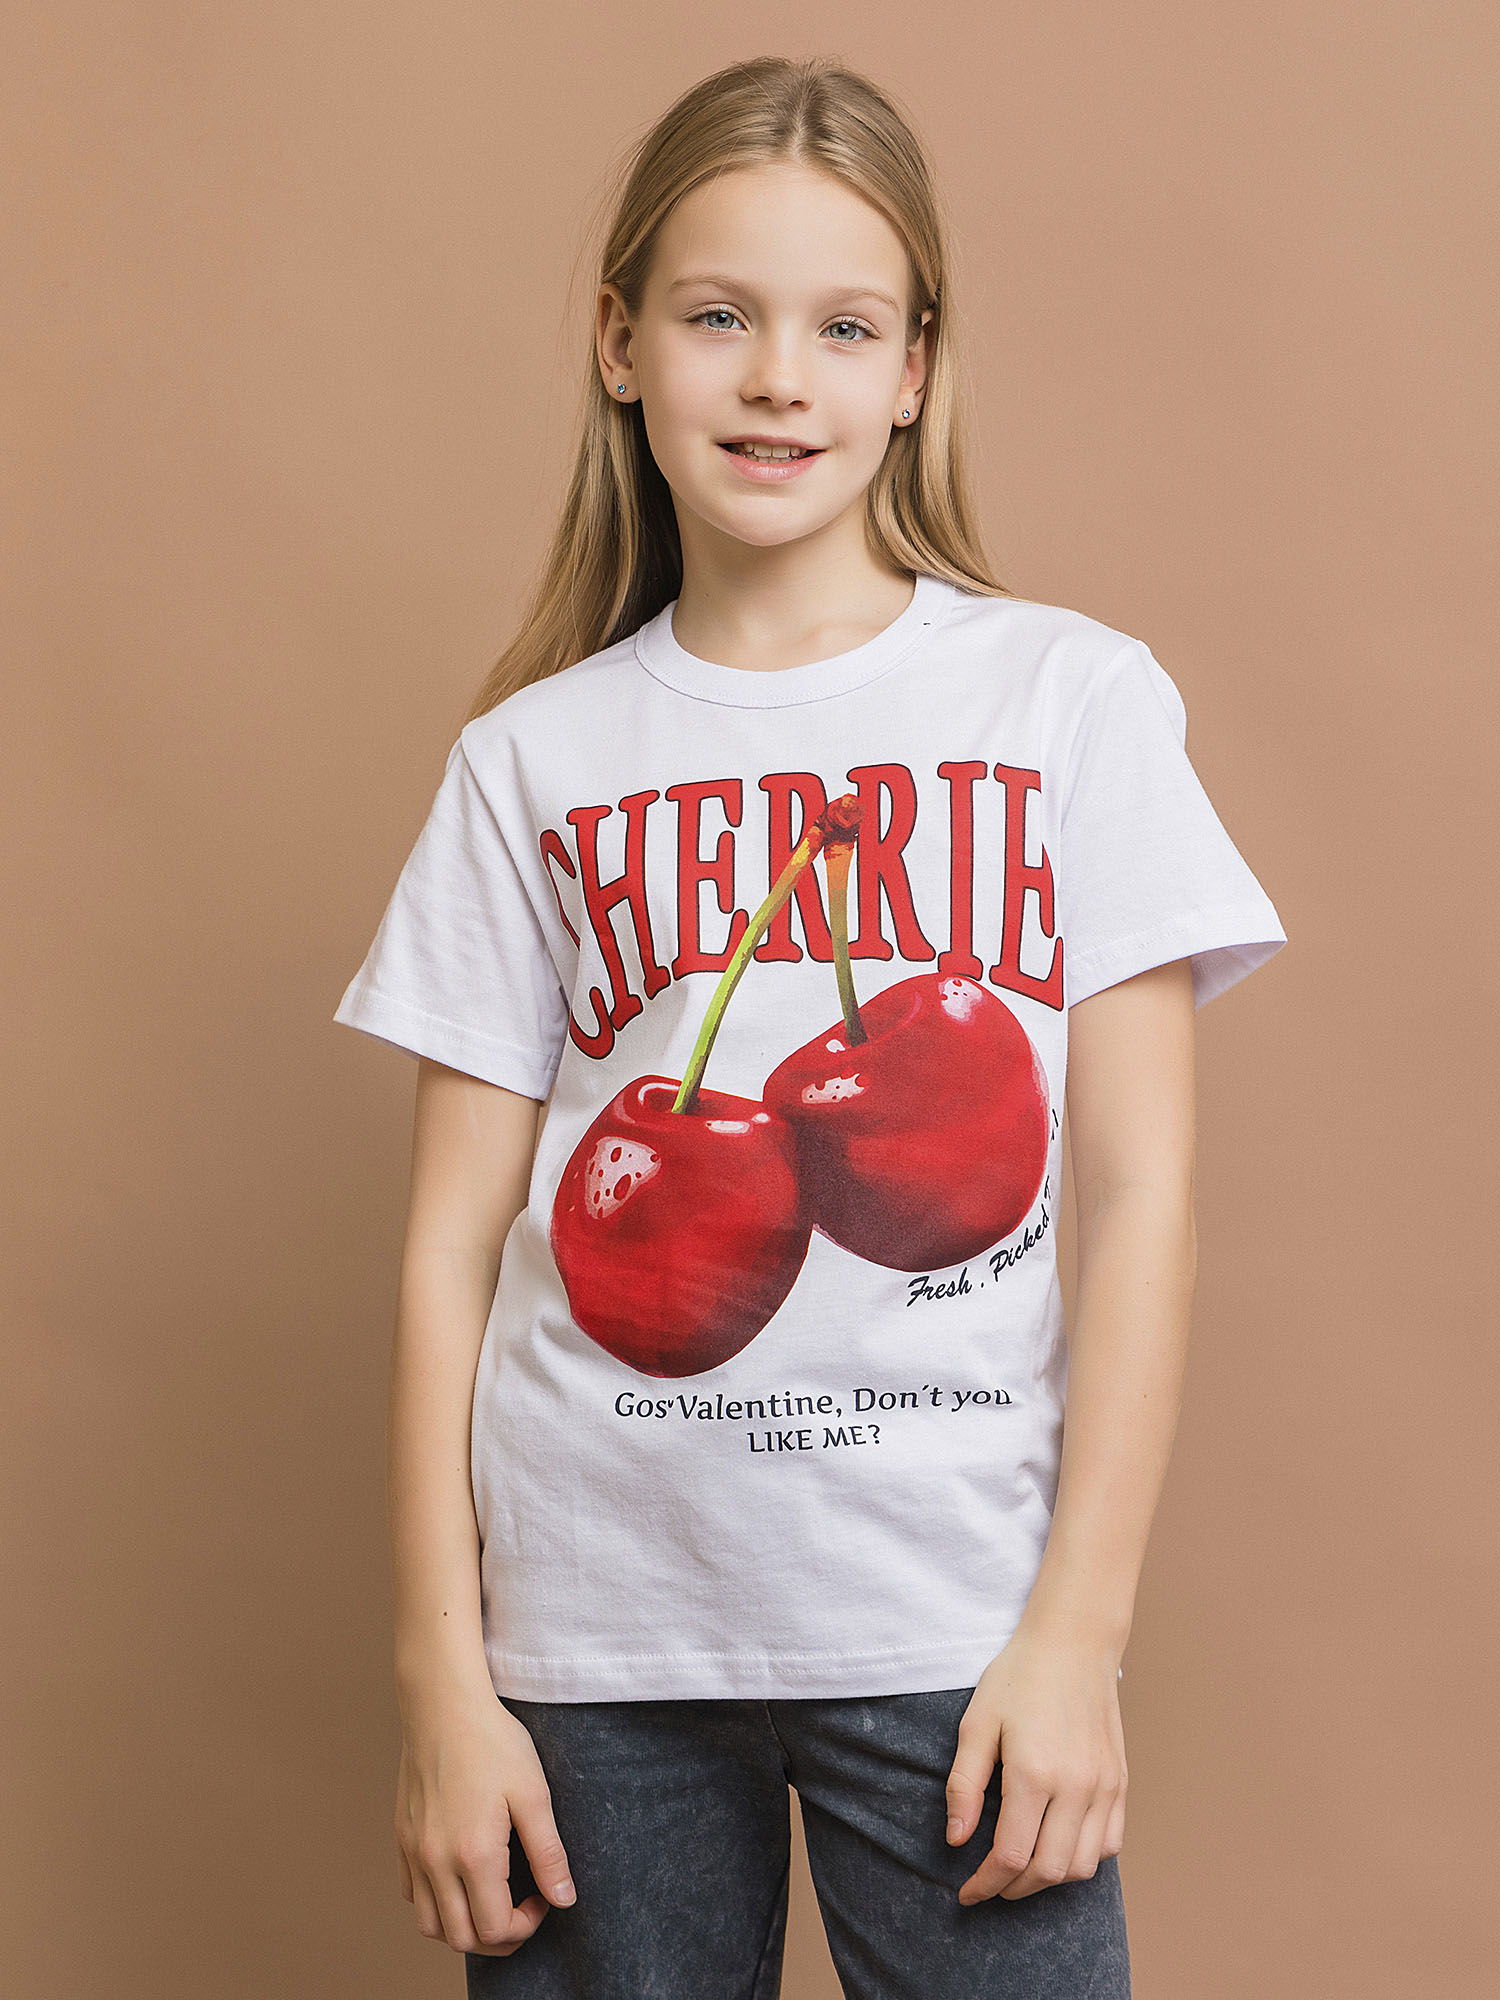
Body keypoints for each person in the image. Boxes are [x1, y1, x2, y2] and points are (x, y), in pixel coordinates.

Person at [332, 54, 1286, 2000]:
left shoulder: (1069, 703)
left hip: (956, 1629)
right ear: (620, 343)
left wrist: (1078, 1635)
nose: (781, 379)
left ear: (917, 367)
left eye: (845, 327)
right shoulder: (531, 758)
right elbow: (446, 1250)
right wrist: (444, 1677)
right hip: (591, 1647)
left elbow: (1143, 1199)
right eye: (719, 317)